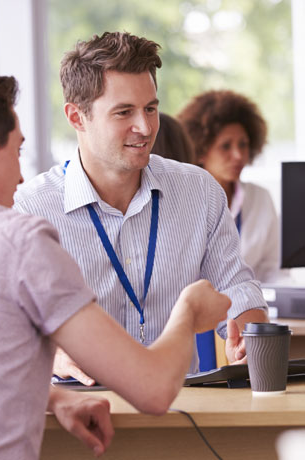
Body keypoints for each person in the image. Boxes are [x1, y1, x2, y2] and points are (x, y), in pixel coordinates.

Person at [0, 66, 230, 460]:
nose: (22, 173)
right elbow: (154, 390)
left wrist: (53, 396)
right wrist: (190, 308)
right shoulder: (18, 239)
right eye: (18, 149)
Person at [13, 31, 269, 385]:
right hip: (81, 406)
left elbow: (237, 287)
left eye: (151, 108)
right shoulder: (31, 208)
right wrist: (52, 354)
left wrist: (247, 335)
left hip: (182, 404)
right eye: (124, 112)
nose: (145, 127)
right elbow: (11, 325)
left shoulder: (199, 191)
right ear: (76, 117)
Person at [177, 89, 287, 283]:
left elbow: (273, 270)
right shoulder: (182, 201)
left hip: (253, 309)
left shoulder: (260, 198)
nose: (238, 155)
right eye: (225, 146)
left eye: (243, 144)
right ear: (201, 151)